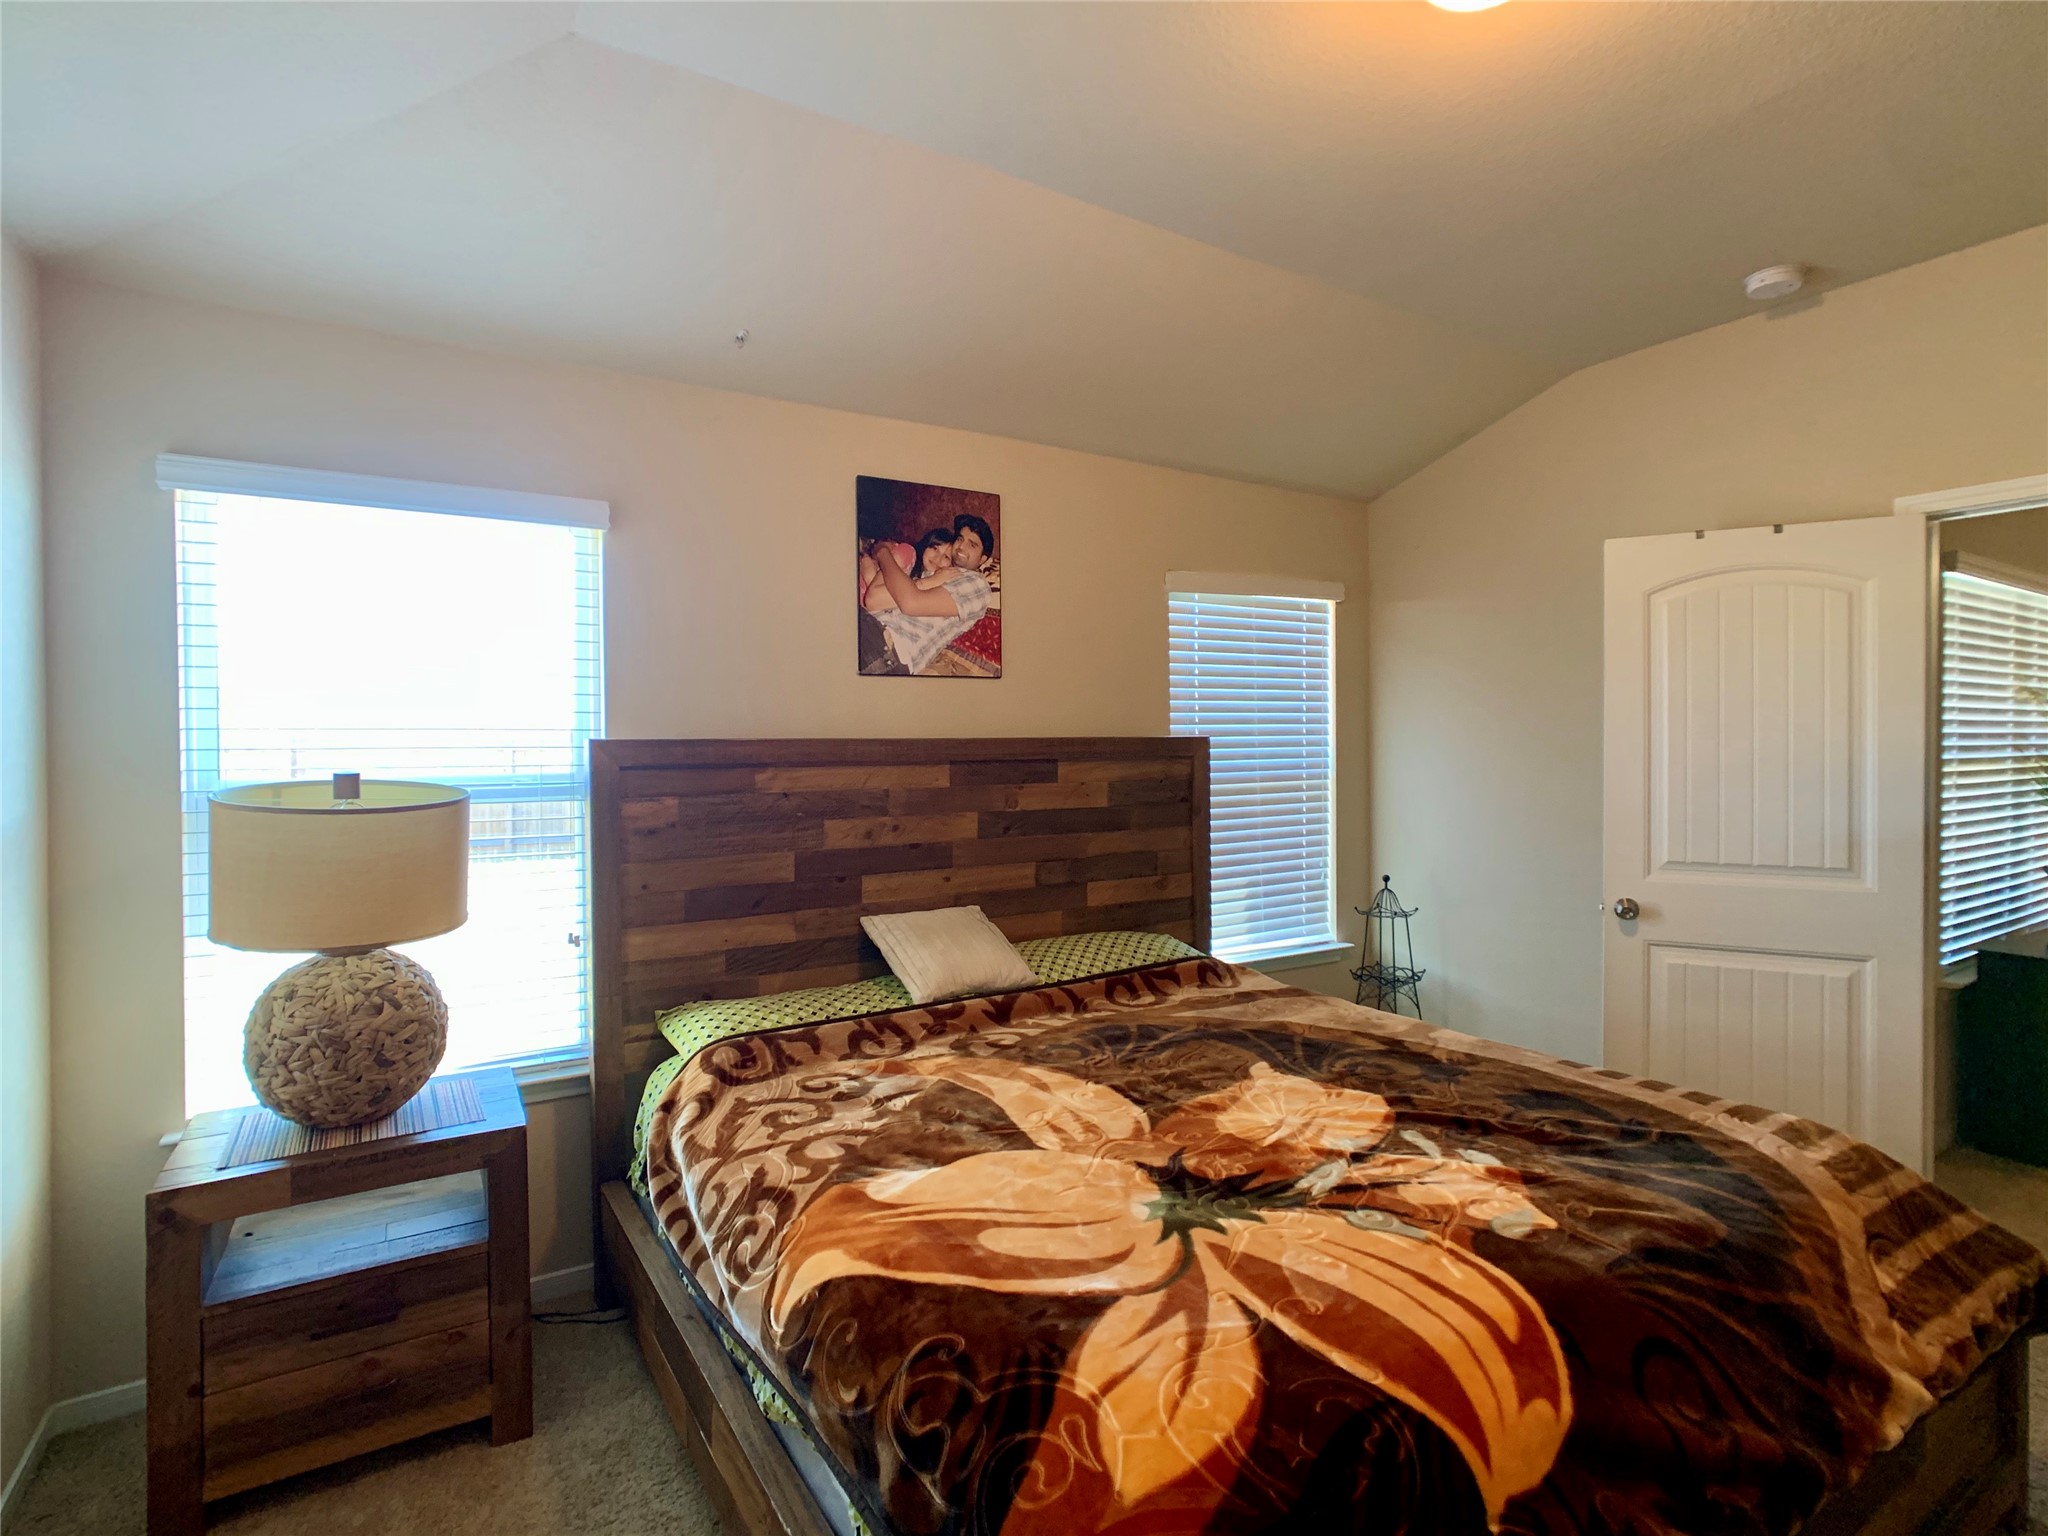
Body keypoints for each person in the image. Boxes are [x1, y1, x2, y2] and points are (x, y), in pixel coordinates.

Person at [857, 514, 995, 675]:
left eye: (972, 545)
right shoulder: (932, 574)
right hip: (872, 629)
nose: (961, 546)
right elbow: (873, 600)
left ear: (983, 559)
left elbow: (910, 603)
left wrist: (882, 552)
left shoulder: (976, 583)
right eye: (960, 539)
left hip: (890, 650)